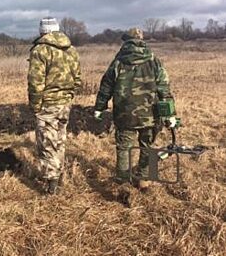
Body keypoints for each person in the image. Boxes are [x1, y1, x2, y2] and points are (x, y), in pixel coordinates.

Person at [94, 28, 175, 189]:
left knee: (124, 148)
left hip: (124, 116)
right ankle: (145, 181)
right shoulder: (154, 61)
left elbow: (106, 86)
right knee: (149, 147)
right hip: (151, 116)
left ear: (126, 41)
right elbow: (164, 90)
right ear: (142, 41)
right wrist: (170, 115)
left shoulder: (118, 61)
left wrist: (100, 107)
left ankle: (123, 184)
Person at [28, 17, 82, 194]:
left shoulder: (40, 50)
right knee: (60, 141)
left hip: (48, 104)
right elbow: (78, 78)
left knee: (46, 144)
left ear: (42, 31)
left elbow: (35, 82)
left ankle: (52, 185)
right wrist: (69, 96)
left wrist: (35, 106)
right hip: (65, 104)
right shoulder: (71, 49)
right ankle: (58, 177)